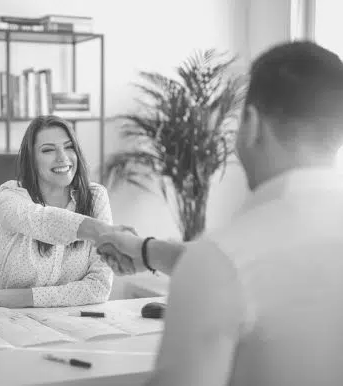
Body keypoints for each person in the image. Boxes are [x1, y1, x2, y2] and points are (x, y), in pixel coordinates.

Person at [97, 41, 343, 386]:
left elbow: (232, 267)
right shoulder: (227, 259)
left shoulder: (221, 259)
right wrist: (144, 250)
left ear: (252, 124)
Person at [0, 115, 138, 308]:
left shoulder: (95, 196)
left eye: (69, 146)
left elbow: (99, 287)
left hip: (74, 323)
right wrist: (100, 231)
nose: (62, 157)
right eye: (48, 150)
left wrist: (27, 297)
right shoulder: (9, 196)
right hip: (12, 321)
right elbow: (43, 221)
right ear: (31, 159)